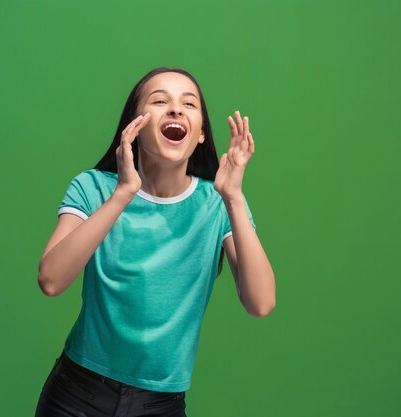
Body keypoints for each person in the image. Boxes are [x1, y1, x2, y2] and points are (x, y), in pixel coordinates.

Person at [34, 67, 275, 417]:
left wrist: (234, 198)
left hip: (160, 405)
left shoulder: (218, 203)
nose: (176, 109)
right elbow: (51, 281)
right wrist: (123, 194)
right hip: (76, 395)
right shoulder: (93, 188)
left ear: (202, 134)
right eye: (160, 101)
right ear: (135, 125)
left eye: (189, 104)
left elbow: (261, 303)